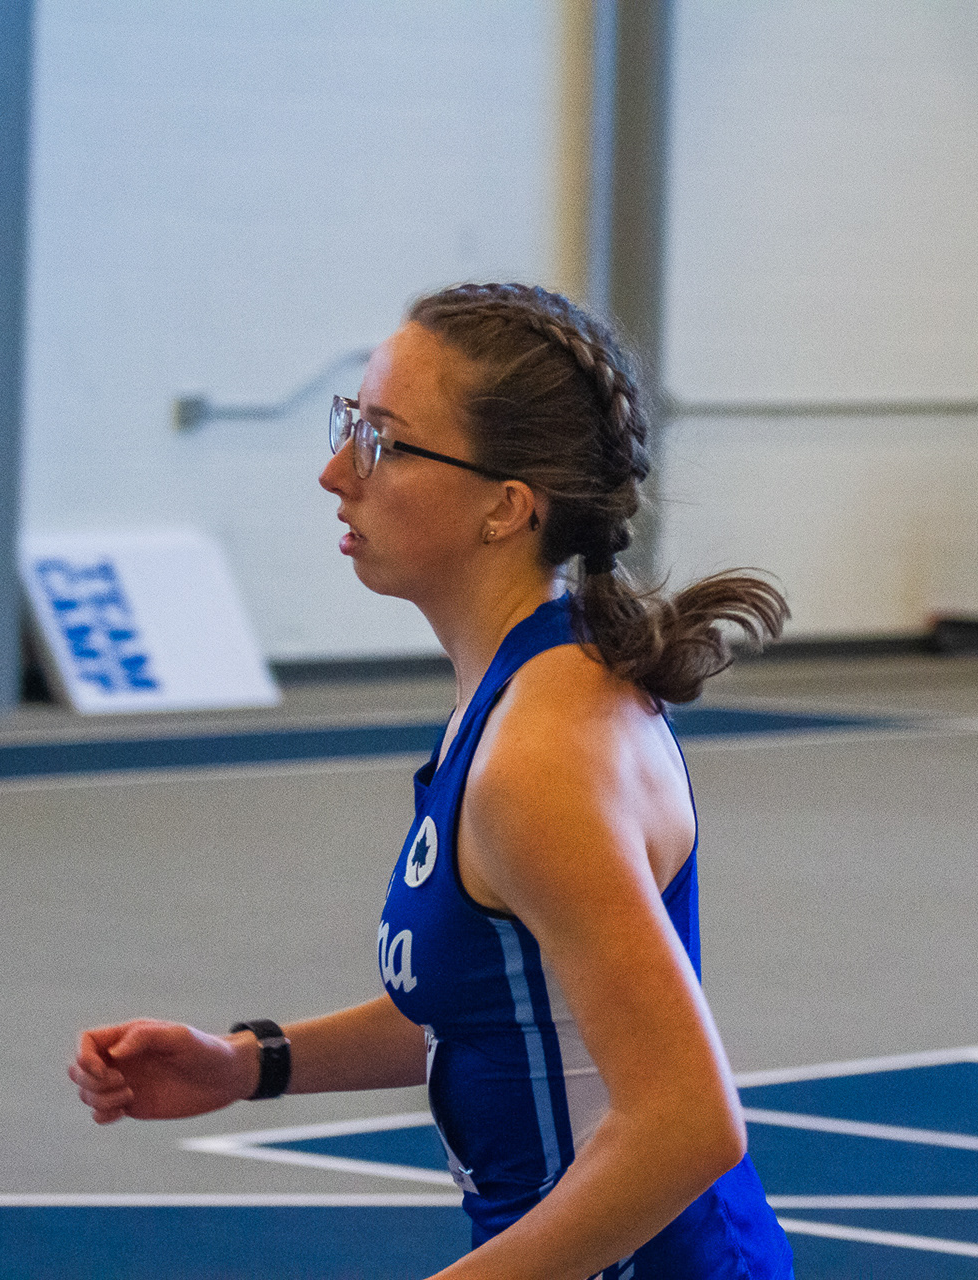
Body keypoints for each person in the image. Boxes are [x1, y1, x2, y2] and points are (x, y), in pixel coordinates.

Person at [69, 282, 794, 1279]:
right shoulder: (523, 692)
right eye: (350, 425)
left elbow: (688, 1125)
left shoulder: (541, 758)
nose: (336, 472)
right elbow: (499, 1011)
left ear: (506, 506)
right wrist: (247, 1062)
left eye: (383, 442)